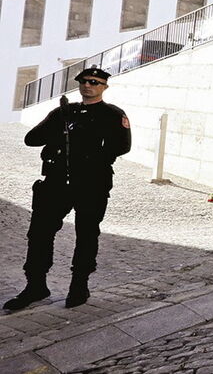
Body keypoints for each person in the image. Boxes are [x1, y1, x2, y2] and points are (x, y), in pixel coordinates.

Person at [3, 66, 131, 311]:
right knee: (39, 233)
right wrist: (58, 125)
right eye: (83, 81)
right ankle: (36, 285)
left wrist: (90, 156)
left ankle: (79, 285)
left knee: (86, 234)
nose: (88, 85)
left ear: (104, 86)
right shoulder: (64, 112)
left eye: (94, 82)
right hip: (56, 182)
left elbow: (123, 146)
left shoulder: (112, 114)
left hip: (92, 183)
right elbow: (31, 139)